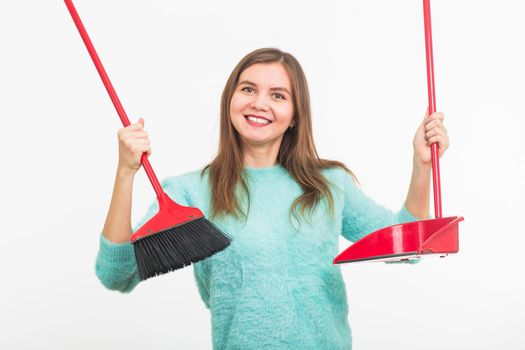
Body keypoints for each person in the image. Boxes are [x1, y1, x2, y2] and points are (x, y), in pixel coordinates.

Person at [95, 47, 449, 349]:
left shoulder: (329, 184)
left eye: (278, 95)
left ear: (295, 116)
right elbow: (117, 273)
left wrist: (422, 165)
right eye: (248, 89)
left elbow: (410, 245)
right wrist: (125, 172)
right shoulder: (191, 192)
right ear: (230, 100)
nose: (259, 103)